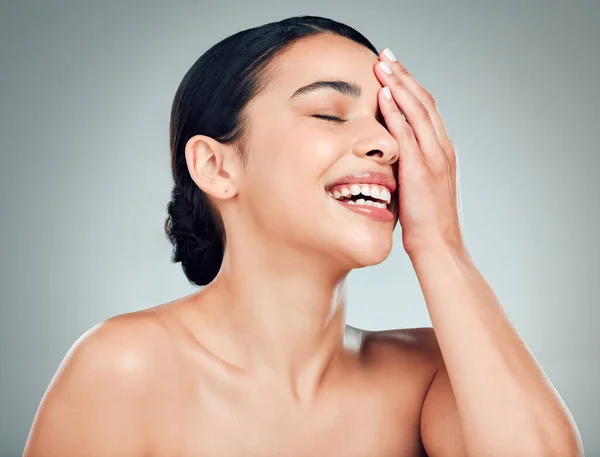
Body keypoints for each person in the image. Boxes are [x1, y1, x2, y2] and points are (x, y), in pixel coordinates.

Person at [23, 15, 583, 457]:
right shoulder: (122, 369)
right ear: (217, 167)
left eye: (392, 124)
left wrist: (439, 244)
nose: (387, 146)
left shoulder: (432, 374)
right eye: (329, 114)